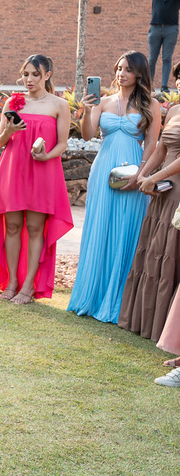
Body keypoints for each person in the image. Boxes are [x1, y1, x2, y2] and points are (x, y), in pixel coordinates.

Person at [68, 52, 159, 322]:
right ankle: (91, 295)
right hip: (103, 171)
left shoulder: (151, 105)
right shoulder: (103, 101)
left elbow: (152, 144)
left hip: (133, 173)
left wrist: (141, 174)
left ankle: (118, 302)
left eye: (128, 69)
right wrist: (86, 110)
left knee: (126, 232)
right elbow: (87, 135)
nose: (121, 73)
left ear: (140, 74)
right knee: (100, 229)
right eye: (119, 68)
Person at [0, 54, 74, 304]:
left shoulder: (59, 105)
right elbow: (0, 141)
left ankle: (28, 286)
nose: (29, 79)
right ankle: (11, 281)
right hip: (13, 169)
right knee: (12, 227)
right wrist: (9, 131)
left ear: (47, 75)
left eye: (35, 74)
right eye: (26, 74)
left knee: (35, 228)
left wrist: (46, 157)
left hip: (43, 171)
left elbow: (63, 144)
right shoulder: (13, 102)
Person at [119, 86, 180, 344]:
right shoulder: (175, 109)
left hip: (176, 192)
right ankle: (146, 321)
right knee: (155, 249)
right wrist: (145, 176)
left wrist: (155, 177)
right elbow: (161, 149)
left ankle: (169, 329)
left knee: (171, 253)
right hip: (162, 189)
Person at [146, 0, 180, 92]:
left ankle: (164, 87)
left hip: (171, 29)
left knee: (167, 58)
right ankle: (148, 86)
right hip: (155, 28)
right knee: (152, 59)